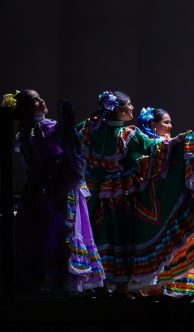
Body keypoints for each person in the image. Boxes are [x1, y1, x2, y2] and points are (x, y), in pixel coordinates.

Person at [79, 91, 194, 297]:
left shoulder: (89, 130)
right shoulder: (128, 134)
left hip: (95, 195)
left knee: (100, 235)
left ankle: (102, 285)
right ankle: (119, 287)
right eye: (129, 105)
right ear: (118, 109)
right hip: (120, 196)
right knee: (123, 239)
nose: (132, 109)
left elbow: (71, 140)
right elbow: (157, 147)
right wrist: (184, 142)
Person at [4, 89, 104, 296]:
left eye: (40, 98)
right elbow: (72, 153)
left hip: (43, 188)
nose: (41, 102)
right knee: (53, 232)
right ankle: (53, 282)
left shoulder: (31, 130)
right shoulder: (42, 129)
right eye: (35, 100)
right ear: (25, 108)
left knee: (43, 232)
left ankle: (45, 280)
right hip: (56, 187)